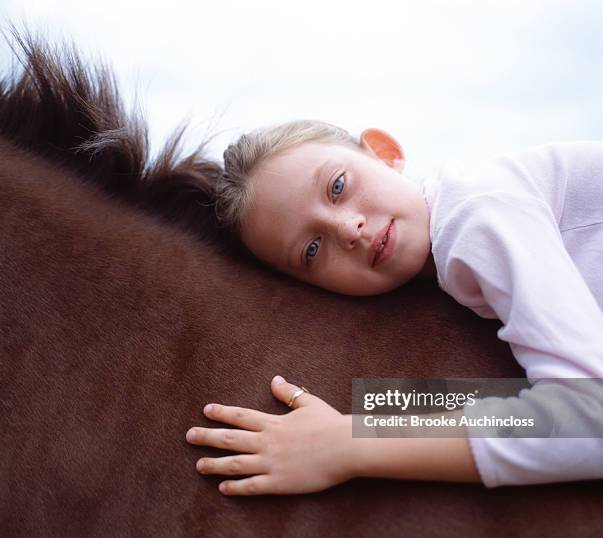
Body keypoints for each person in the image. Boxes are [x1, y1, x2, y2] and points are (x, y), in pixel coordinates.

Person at [185, 120, 603, 496]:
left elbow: (590, 418)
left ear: (385, 152)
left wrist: (350, 441)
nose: (349, 229)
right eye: (312, 249)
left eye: (337, 186)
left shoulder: (476, 213)